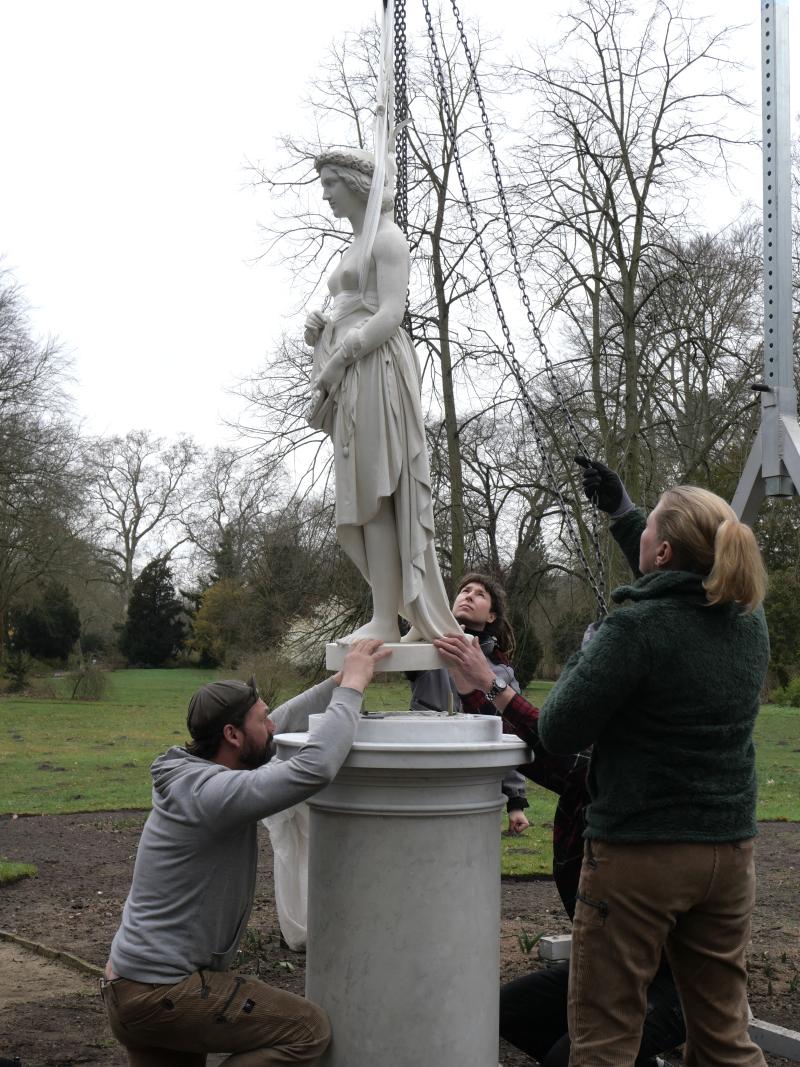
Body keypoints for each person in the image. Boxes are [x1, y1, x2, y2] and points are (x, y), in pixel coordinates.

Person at [540, 462, 769, 1067]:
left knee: (606, 1040)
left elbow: (559, 728)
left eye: (647, 531)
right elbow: (679, 566)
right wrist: (621, 512)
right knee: (724, 1036)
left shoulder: (635, 629)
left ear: (662, 551)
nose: (639, 536)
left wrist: (583, 657)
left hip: (641, 856)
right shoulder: (748, 618)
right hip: (728, 854)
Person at [101, 638, 390, 1067]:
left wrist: (340, 678)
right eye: (260, 721)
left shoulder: (199, 771)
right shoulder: (213, 793)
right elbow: (315, 768)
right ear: (233, 735)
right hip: (166, 993)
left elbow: (279, 720)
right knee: (308, 1031)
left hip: (130, 987)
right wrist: (351, 691)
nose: (272, 728)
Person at [432, 632, 686, 1067]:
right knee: (502, 1012)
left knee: (566, 1060)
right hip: (606, 965)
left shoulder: (629, 762)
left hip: (669, 980)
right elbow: (534, 748)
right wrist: (473, 690)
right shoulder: (587, 762)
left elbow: (561, 746)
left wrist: (489, 683)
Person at [304, 147, 460, 644]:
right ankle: (395, 613)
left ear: (356, 183)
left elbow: (390, 312)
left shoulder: (388, 239)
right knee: (365, 495)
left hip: (377, 371)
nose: (325, 194)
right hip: (353, 377)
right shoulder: (354, 246)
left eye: (331, 182)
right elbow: (355, 306)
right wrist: (322, 330)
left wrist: (339, 357)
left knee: (379, 495)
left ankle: (389, 617)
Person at [410, 571, 530, 834]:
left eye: (480, 594)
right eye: (464, 591)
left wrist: (515, 800)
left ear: (491, 616)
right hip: (423, 770)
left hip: (474, 779)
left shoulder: (502, 671)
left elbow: (507, 731)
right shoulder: (426, 646)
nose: (469, 596)